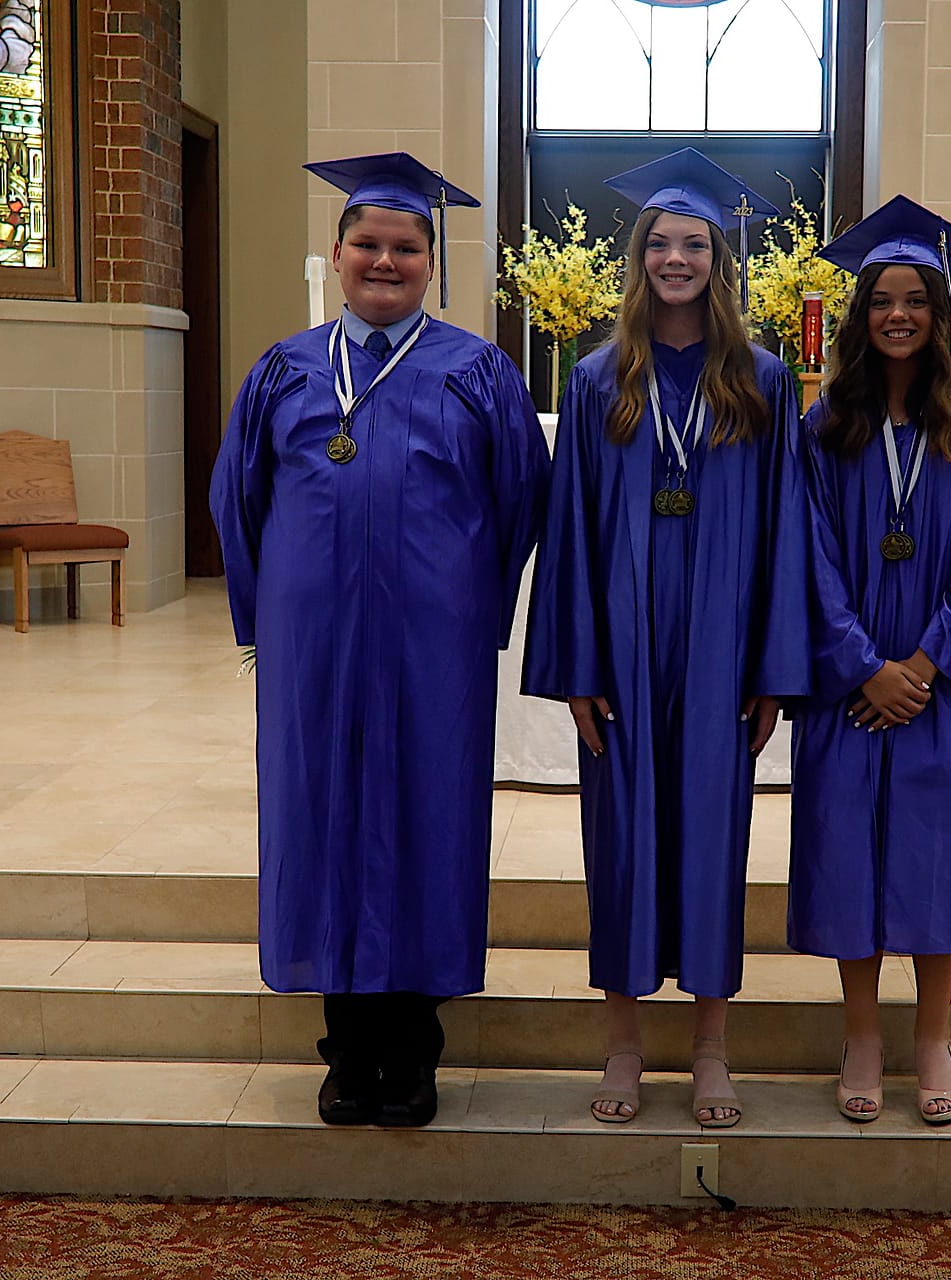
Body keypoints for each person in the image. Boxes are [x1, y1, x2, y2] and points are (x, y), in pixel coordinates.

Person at [210, 152, 550, 1128]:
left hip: (430, 649)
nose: (385, 259)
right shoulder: (287, 367)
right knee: (320, 815)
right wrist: (267, 616)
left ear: (433, 261)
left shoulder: (477, 372)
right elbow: (238, 498)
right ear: (338, 252)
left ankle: (412, 1048)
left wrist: (471, 606)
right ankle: (345, 1048)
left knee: (423, 819)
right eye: (368, 242)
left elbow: (523, 500)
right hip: (314, 644)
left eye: (405, 245)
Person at [523, 148, 812, 1128]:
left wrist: (775, 670)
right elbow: (566, 533)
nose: (676, 258)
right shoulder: (601, 374)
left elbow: (787, 536)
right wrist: (573, 671)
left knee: (713, 843)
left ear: (718, 262)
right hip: (623, 658)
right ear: (638, 256)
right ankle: (622, 1044)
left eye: (694, 243)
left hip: (725, 651)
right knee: (620, 844)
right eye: (660, 242)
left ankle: (713, 1049)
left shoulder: (764, 381)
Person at [787, 196, 951, 1125]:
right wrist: (860, 664)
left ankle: (931, 1036)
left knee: (934, 853)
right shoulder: (821, 427)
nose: (897, 314)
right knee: (849, 847)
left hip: (941, 682)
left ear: (942, 313)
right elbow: (806, 556)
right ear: (858, 314)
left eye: (916, 299)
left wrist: (920, 665)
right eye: (880, 299)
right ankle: (862, 1035)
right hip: (854, 683)